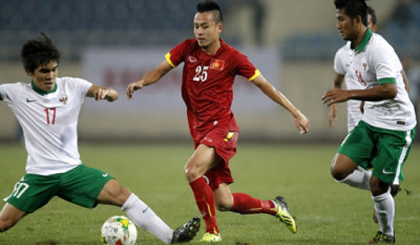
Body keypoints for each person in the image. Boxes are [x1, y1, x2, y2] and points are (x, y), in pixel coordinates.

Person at [126, 0, 310, 242]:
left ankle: (212, 231)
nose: (199, 32)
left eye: (205, 26)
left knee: (192, 170)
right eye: (196, 26)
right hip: (200, 132)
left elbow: (265, 86)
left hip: (223, 129)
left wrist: (295, 112)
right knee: (224, 201)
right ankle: (275, 206)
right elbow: (159, 70)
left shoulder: (232, 57)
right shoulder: (187, 48)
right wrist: (142, 81)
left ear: (219, 28)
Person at [0, 33, 200, 244]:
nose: (51, 75)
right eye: (44, 71)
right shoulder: (16, 93)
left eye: (54, 69)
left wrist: (106, 93)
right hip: (39, 176)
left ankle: (171, 236)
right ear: (30, 72)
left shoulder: (72, 86)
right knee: (4, 223)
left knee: (122, 193)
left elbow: (112, 94)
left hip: (73, 172)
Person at [322, 0, 416, 243]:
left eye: (341, 19)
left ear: (357, 20)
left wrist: (350, 94)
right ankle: (385, 188)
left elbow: (392, 89)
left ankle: (387, 234)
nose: (337, 25)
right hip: (372, 121)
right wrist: (365, 99)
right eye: (336, 19)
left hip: (396, 126)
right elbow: (372, 83)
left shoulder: (379, 48)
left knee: (377, 186)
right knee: (339, 169)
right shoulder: (351, 49)